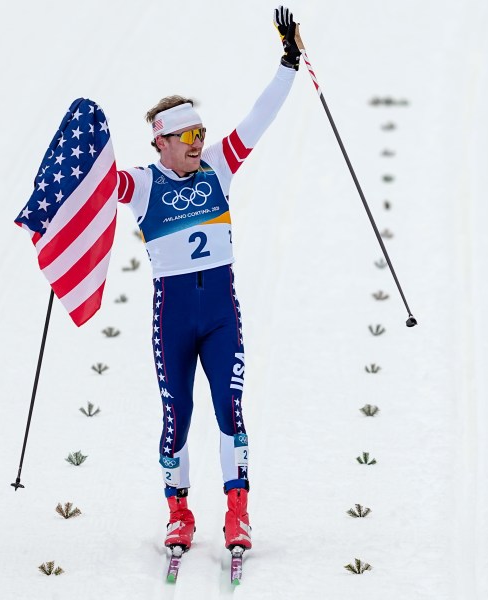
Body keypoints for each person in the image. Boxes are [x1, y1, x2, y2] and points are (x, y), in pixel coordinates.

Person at [116, 6, 301, 553]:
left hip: (220, 316)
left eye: (200, 132)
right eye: (187, 135)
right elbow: (101, 182)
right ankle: (179, 513)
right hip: (173, 317)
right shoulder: (144, 185)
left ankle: (237, 512)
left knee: (230, 409)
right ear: (162, 142)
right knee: (177, 414)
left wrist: (289, 62)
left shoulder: (218, 166)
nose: (199, 142)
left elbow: (258, 119)